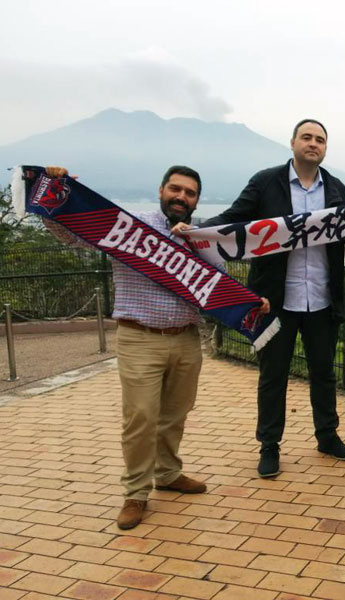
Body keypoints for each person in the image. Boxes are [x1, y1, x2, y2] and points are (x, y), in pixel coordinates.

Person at [43, 165, 228, 529]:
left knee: (176, 414)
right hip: (139, 337)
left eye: (190, 193)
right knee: (141, 417)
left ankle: (168, 473)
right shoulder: (130, 227)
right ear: (161, 191)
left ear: (196, 201)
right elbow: (73, 236)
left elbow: (219, 284)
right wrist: (55, 194)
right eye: (175, 189)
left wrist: (251, 303)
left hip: (186, 338)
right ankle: (136, 493)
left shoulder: (200, 237)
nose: (181, 197)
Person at [183, 119, 345, 478]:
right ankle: (269, 445)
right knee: (273, 375)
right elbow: (234, 218)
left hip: (322, 298)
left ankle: (327, 435)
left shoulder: (335, 187)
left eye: (320, 139)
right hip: (274, 300)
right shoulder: (265, 182)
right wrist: (196, 231)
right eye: (306, 137)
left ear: (326, 148)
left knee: (324, 373)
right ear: (292, 142)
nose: (313, 144)